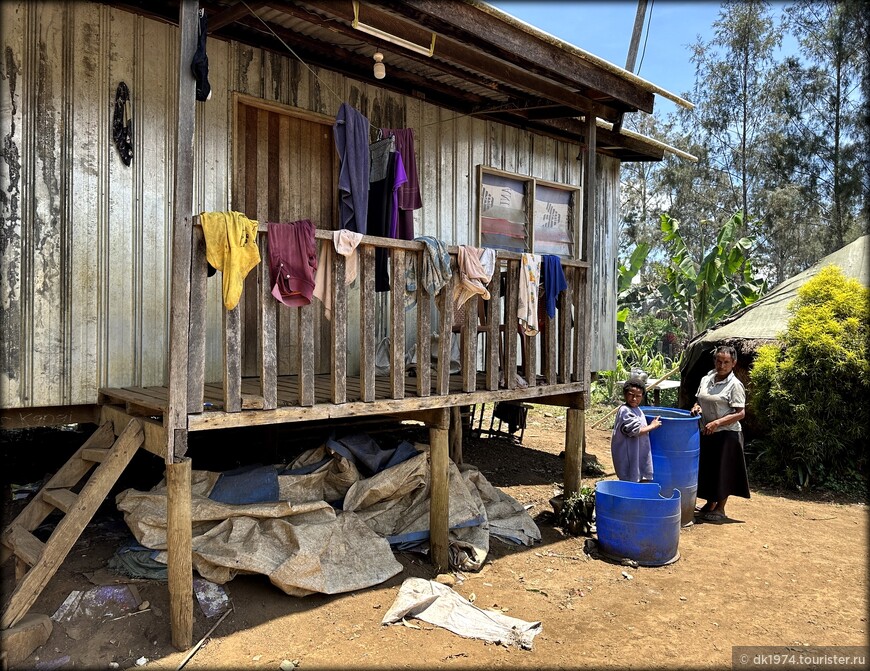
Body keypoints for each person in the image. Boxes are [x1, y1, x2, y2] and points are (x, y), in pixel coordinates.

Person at [690, 345, 751, 521]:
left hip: (727, 434)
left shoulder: (735, 385)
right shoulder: (706, 379)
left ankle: (721, 509)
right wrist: (696, 407)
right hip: (707, 432)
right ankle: (710, 504)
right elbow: (700, 399)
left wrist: (717, 422)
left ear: (734, 363)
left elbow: (740, 413)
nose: (721, 365)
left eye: (726, 362)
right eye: (718, 361)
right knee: (710, 470)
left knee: (723, 471)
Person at [611, 378, 662, 482]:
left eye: (638, 396)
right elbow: (635, 431)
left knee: (637, 480)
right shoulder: (625, 410)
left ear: (642, 397)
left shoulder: (637, 409)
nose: (634, 399)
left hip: (636, 454)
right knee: (629, 482)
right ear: (625, 394)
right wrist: (653, 425)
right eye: (631, 394)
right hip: (628, 457)